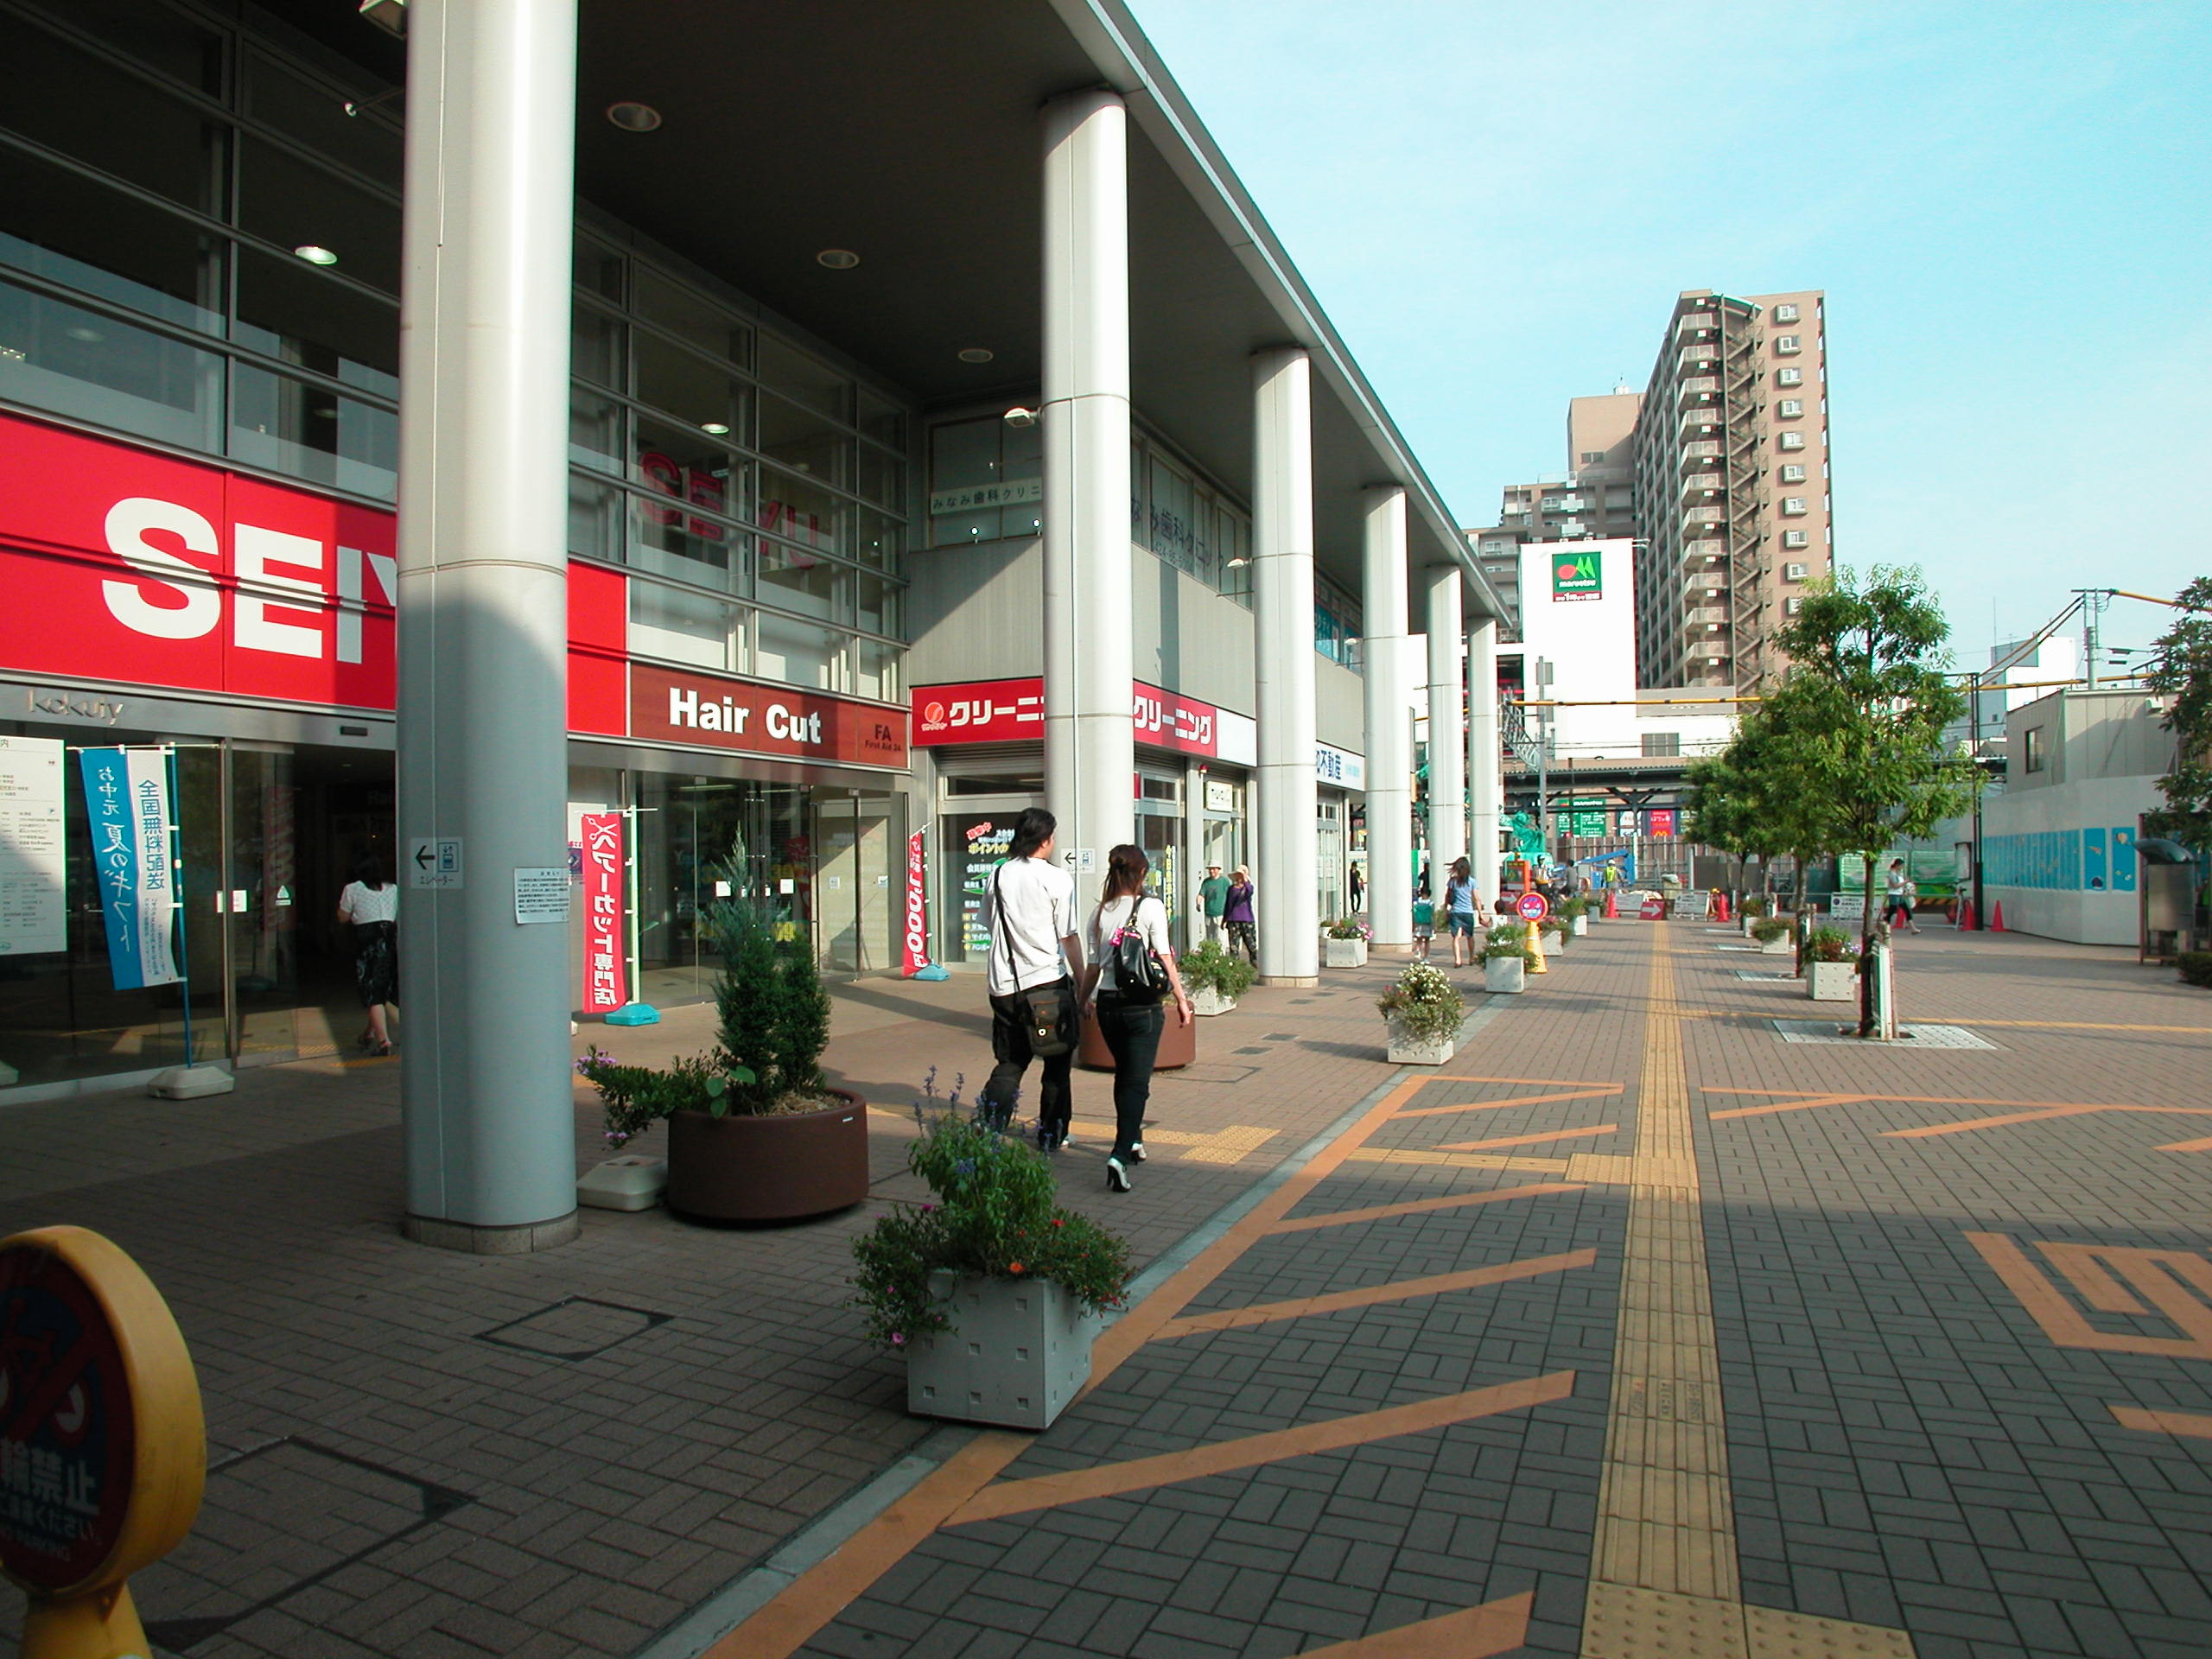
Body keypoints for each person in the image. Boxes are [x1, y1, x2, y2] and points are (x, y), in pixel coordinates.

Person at [1078, 845, 1192, 1192]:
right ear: (1141, 873)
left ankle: (1134, 1139)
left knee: (1126, 1076)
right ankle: (1118, 1155)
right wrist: (1182, 1000)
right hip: (1142, 1007)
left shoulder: (1099, 913)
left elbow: (1094, 967)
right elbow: (1165, 956)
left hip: (1108, 1006)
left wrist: (1083, 1001)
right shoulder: (1150, 907)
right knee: (1136, 1081)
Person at [978, 807, 1084, 1147]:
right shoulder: (1057, 879)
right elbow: (1068, 935)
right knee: (1056, 1064)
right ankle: (1052, 1134)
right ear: (1045, 839)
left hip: (1004, 985)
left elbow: (988, 923)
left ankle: (989, 1126)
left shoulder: (997, 875)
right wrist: (1082, 982)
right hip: (1047, 984)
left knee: (1010, 1062)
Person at [337, 854, 399, 1056]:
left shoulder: (353, 889)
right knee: (383, 988)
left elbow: (343, 917)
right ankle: (369, 1033)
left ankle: (383, 1041)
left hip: (367, 943)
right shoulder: (393, 889)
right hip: (389, 940)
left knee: (373, 993)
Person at [1443, 857, 1483, 968]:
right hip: (1468, 911)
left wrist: (1445, 909)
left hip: (1455, 911)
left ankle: (1458, 960)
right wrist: (1480, 913)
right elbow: (1476, 898)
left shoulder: (1452, 881)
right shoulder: (1471, 881)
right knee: (1470, 936)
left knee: (1456, 937)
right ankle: (1471, 957)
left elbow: (1447, 896)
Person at [1223, 868, 1257, 965]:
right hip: (1233, 920)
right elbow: (1228, 905)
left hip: (1247, 920)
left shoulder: (1247, 888)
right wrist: (1225, 919)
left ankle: (1254, 962)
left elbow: (1250, 891)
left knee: (1251, 944)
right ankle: (1235, 965)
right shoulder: (1231, 889)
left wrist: (1245, 879)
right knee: (1234, 945)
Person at [1197, 862, 1231, 945]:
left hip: (1221, 914)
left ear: (1218, 870)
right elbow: (1201, 894)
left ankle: (1221, 952)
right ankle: (1211, 952)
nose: (1212, 871)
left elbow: (1230, 895)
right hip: (1209, 913)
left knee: (1220, 936)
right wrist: (1198, 903)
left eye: (1214, 869)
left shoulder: (1225, 882)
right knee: (1210, 936)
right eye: (1210, 869)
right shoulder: (1206, 882)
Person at [1883, 858, 1917, 934]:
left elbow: (1901, 885)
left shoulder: (1898, 874)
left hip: (1900, 894)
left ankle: (1913, 928)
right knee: (1892, 910)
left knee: (1907, 910)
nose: (1902, 867)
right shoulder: (1892, 874)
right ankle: (1885, 924)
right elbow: (1895, 885)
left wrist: (1906, 888)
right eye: (1901, 866)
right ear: (1897, 865)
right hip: (1894, 894)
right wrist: (1906, 882)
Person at [1411, 887, 1435, 963]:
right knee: (1427, 941)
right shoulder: (1431, 903)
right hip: (1427, 923)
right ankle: (1426, 958)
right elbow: (1432, 915)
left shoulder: (1416, 903)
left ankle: (1418, 953)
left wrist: (1413, 925)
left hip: (1418, 923)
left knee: (1419, 940)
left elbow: (1414, 914)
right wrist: (1434, 925)